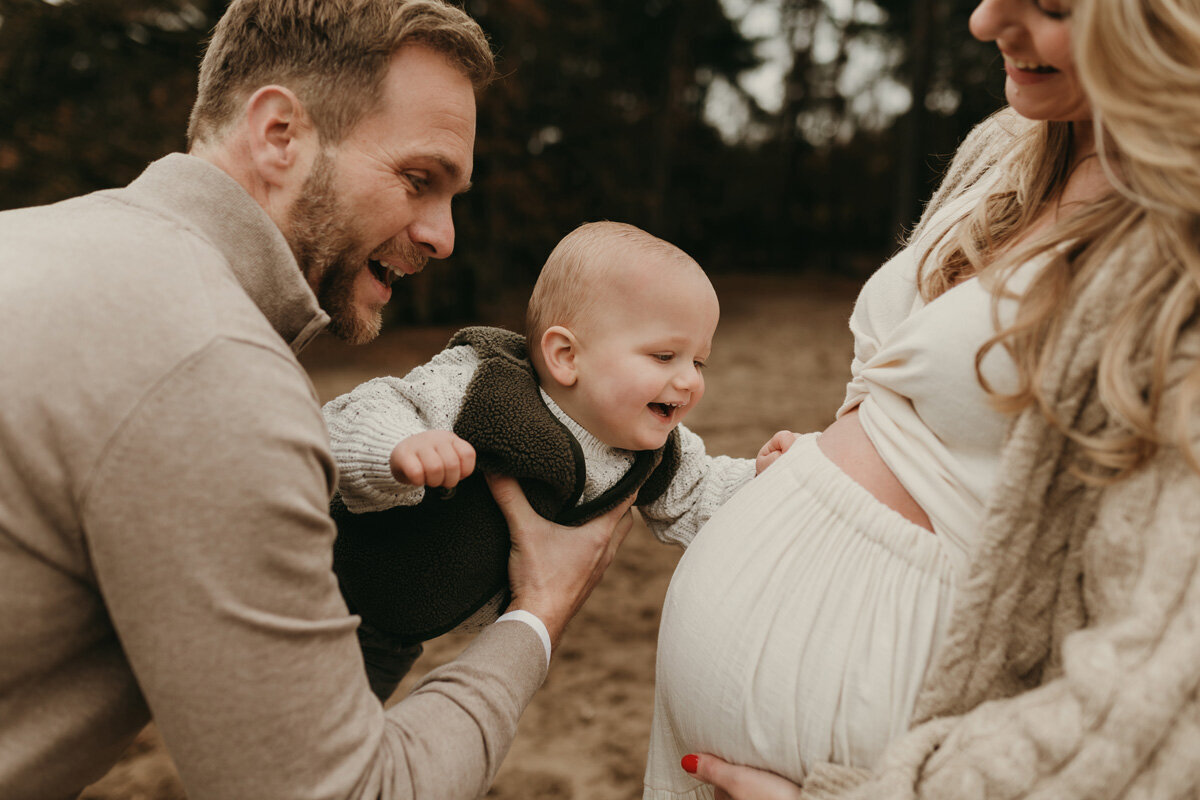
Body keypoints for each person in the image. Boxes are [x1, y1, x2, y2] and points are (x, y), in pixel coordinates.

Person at [0, 2, 635, 799]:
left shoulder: (29, 241)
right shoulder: (213, 369)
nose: (442, 235)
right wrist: (537, 616)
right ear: (279, 136)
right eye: (417, 179)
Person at [646, 0, 1200, 797]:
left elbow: (1161, 686)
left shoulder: (1178, 249)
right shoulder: (1011, 145)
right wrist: (828, 461)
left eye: (1050, 6)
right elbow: (926, 396)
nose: (985, 22)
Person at [322, 222, 768, 694]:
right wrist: (399, 446)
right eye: (664, 356)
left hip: (393, 639)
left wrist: (773, 480)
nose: (689, 381)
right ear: (565, 355)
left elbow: (705, 495)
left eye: (698, 362)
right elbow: (361, 411)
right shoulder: (485, 383)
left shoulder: (653, 452)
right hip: (320, 581)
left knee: (331, 744)